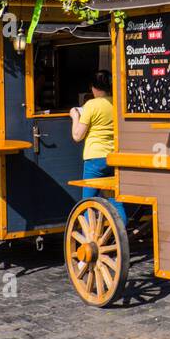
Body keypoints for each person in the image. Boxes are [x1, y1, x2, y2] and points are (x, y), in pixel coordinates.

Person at [69, 70, 127, 226]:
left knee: (88, 202)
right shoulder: (117, 103)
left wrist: (75, 116)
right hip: (113, 158)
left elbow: (77, 136)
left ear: (93, 87)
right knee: (116, 201)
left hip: (94, 159)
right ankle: (120, 233)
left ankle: (90, 238)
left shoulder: (91, 105)